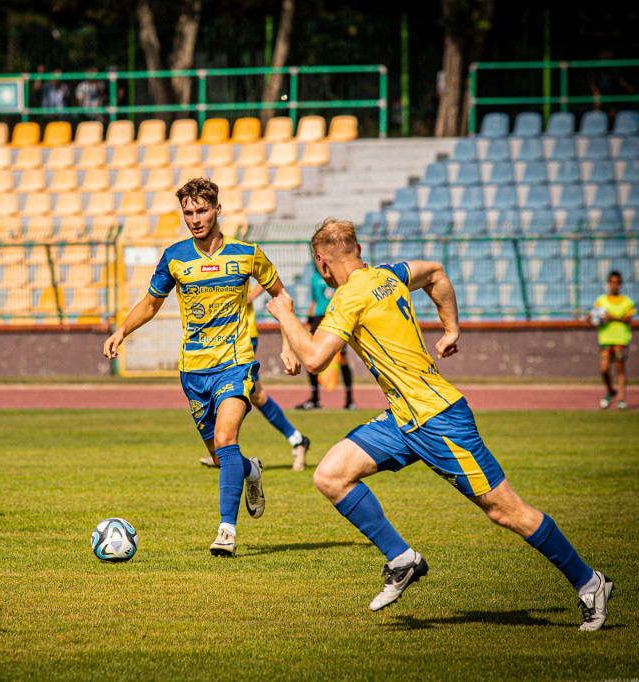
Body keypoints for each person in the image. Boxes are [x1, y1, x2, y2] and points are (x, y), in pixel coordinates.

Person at [266, 217, 613, 631]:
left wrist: (284, 315)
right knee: (331, 475)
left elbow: (315, 359)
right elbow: (436, 272)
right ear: (358, 251)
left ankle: (589, 582)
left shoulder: (347, 297)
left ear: (322, 262)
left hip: (439, 419)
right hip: (404, 417)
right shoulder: (389, 274)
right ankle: (402, 559)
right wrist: (451, 328)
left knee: (507, 512)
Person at [104, 178, 301, 557]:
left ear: (217, 210)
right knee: (221, 456)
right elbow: (150, 303)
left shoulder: (247, 254)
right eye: (188, 212)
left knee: (227, 439)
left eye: (201, 210)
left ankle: (226, 531)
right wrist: (122, 330)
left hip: (236, 363)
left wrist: (289, 345)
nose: (194, 218)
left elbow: (281, 296)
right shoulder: (175, 256)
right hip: (193, 371)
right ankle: (251, 471)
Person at [200, 282, 311, 471]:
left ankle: (224, 450)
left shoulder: (244, 252)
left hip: (242, 334)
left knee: (232, 391)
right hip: (216, 334)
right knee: (255, 395)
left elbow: (271, 281)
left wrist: (251, 295)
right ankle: (297, 440)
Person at [296, 265, 354, 411]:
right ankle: (315, 399)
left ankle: (349, 399)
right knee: (312, 356)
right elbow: (314, 301)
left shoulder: (338, 273)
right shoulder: (315, 277)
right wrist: (309, 323)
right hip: (318, 317)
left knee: (343, 358)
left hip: (335, 315)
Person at [587, 270, 635, 410]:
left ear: (620, 284)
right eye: (612, 282)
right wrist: (592, 318)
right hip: (605, 339)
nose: (614, 285)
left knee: (620, 368)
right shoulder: (601, 300)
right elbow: (590, 317)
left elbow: (628, 319)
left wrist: (611, 317)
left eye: (617, 283)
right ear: (608, 283)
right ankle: (610, 391)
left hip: (620, 338)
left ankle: (621, 398)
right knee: (604, 369)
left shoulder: (627, 302)